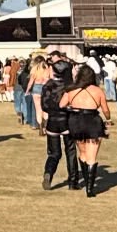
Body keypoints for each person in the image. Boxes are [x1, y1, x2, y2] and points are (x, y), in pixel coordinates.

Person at [61, 65, 112, 196]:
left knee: (83, 153)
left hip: (76, 122)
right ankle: (90, 189)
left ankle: (87, 180)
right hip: (93, 121)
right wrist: (108, 119)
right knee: (92, 156)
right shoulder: (97, 91)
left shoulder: (71, 90)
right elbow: (105, 109)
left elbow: (61, 105)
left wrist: (72, 108)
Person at [40, 55, 79, 191]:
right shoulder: (70, 87)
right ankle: (73, 182)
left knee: (54, 153)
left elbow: (44, 106)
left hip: (52, 121)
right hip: (67, 121)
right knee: (70, 151)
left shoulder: (48, 85)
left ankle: (48, 174)